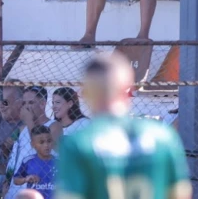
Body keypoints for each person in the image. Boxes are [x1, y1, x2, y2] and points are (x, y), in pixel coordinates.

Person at [56, 53, 191, 199]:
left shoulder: (78, 144)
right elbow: (180, 194)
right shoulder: (163, 136)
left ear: (86, 93)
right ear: (129, 89)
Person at [4, 87, 55, 199]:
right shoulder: (22, 129)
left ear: (42, 104)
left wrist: (29, 120)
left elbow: (39, 148)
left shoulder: (53, 126)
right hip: (15, 192)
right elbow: (14, 159)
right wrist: (7, 182)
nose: (26, 107)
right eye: (24, 103)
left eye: (31, 102)